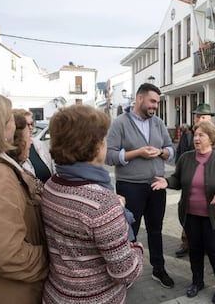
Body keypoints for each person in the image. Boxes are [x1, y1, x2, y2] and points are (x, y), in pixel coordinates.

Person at [41, 105, 144, 304]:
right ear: (95, 145)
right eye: (104, 138)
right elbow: (126, 272)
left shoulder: (52, 184)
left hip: (57, 294)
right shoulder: (103, 203)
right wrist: (137, 247)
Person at [152, 120, 215, 303]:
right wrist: (167, 182)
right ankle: (197, 282)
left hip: (213, 216)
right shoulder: (186, 158)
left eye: (201, 135)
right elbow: (177, 179)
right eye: (195, 135)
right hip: (190, 215)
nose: (196, 138)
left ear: (211, 139)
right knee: (195, 250)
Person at [0, 92, 48, 303]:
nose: (14, 126)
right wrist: (51, 260)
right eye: (9, 119)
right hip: (8, 292)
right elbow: (7, 255)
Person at [105, 83, 176, 288]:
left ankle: (158, 269)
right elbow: (109, 156)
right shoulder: (120, 123)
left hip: (156, 186)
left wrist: (161, 152)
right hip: (130, 187)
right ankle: (126, 273)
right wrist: (137, 153)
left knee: (156, 230)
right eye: (152, 101)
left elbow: (171, 150)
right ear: (139, 99)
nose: (155, 106)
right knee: (130, 231)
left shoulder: (158, 123)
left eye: (157, 103)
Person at [175, 103, 215, 258]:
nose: (199, 119)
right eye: (197, 116)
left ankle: (208, 247)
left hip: (210, 186)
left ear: (209, 118)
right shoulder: (187, 133)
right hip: (190, 182)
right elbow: (180, 153)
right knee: (189, 215)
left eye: (203, 116)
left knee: (209, 222)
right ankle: (187, 243)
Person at [19, 110, 54, 182]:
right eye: (26, 124)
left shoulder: (40, 145)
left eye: (32, 123)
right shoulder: (14, 151)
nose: (31, 127)